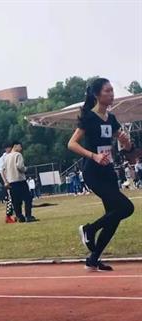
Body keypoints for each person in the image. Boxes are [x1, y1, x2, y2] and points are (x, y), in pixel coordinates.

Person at [68, 78, 134, 271]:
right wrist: (93, 156)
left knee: (113, 216)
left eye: (112, 90)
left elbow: (128, 149)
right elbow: (71, 144)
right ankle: (89, 229)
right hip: (93, 171)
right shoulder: (89, 117)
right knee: (126, 208)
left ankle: (93, 259)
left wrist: (126, 141)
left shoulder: (111, 118)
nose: (111, 94)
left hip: (108, 171)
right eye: (107, 91)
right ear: (97, 94)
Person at [2, 142, 37, 222]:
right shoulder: (18, 155)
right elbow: (20, 166)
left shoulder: (6, 157)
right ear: (15, 146)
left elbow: (4, 170)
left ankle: (19, 216)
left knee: (16, 201)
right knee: (27, 198)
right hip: (20, 180)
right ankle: (28, 216)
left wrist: (6, 181)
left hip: (11, 182)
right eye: (20, 146)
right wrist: (25, 169)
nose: (21, 149)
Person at [0, 145, 15, 223]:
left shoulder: (13, 155)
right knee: (10, 198)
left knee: (16, 198)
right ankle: (8, 216)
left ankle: (16, 215)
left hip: (15, 179)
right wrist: (5, 181)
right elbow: (2, 171)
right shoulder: (3, 158)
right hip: (9, 180)